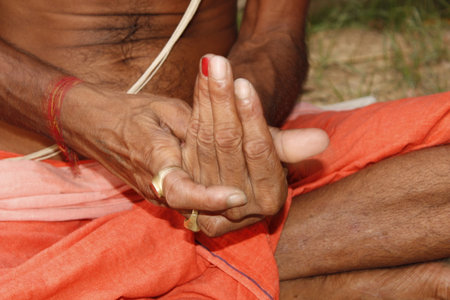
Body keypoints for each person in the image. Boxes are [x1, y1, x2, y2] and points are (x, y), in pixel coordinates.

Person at [0, 0, 448, 298]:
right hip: (29, 179)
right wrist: (76, 113)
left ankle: (127, 273)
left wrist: (235, 132)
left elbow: (272, 31)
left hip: (233, 168)